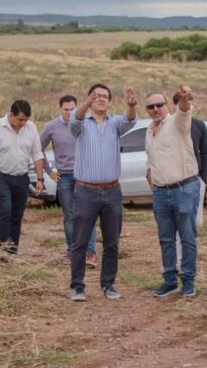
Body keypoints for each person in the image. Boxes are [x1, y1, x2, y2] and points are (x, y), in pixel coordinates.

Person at [69, 84, 137, 301]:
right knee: (80, 241)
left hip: (111, 191)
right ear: (90, 99)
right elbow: (75, 119)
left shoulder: (115, 123)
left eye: (104, 97)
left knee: (111, 242)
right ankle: (77, 287)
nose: (100, 99)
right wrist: (85, 104)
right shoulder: (80, 123)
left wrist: (132, 104)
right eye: (96, 96)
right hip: (85, 191)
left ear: (110, 102)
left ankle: (108, 285)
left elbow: (130, 120)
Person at [145, 86, 200, 298]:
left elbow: (185, 111)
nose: (156, 109)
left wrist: (184, 99)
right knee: (165, 238)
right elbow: (151, 163)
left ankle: (188, 280)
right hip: (160, 192)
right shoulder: (150, 131)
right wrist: (154, 187)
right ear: (147, 110)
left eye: (160, 105)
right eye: (151, 106)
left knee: (187, 237)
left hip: (184, 188)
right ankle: (169, 280)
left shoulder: (177, 122)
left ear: (168, 106)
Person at [0, 100, 44, 255]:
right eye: (20, 119)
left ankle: (12, 250)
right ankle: (2, 248)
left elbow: (37, 154)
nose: (23, 123)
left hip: (22, 176)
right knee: (6, 210)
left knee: (17, 214)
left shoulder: (31, 128)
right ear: (11, 114)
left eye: (26, 120)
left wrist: (40, 179)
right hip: (1, 176)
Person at [40, 95, 97, 267]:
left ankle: (90, 253)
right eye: (66, 109)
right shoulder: (51, 127)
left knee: (88, 215)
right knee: (70, 216)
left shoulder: (87, 123)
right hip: (64, 176)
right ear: (60, 109)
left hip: (85, 176)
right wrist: (48, 171)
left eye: (73, 108)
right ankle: (72, 251)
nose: (70, 112)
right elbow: (37, 148)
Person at [171, 91, 207, 271]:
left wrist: (203, 178)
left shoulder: (200, 126)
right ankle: (181, 262)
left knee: (196, 224)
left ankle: (188, 259)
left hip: (196, 181)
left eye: (189, 101)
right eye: (182, 101)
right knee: (181, 223)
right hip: (177, 182)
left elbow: (205, 152)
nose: (187, 105)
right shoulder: (170, 125)